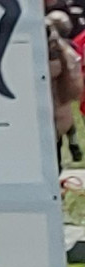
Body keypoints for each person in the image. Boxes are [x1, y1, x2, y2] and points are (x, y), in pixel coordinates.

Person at [48, 11, 84, 167]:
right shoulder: (70, 48)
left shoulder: (58, 50)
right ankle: (73, 141)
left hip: (56, 95)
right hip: (62, 98)